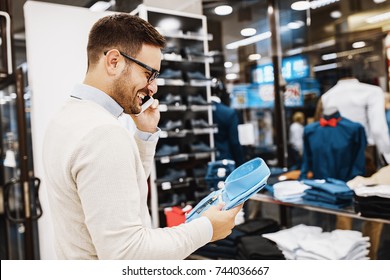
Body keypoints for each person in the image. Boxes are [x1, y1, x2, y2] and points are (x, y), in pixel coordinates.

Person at [42, 14, 242, 260]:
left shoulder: (64, 118)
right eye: (149, 74)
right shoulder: (103, 133)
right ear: (114, 62)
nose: (153, 87)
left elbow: (118, 195)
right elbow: (128, 253)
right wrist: (208, 228)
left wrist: (144, 135)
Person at [211, 80, 245, 166]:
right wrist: (241, 163)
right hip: (225, 161)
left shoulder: (201, 111)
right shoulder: (228, 113)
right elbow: (234, 142)